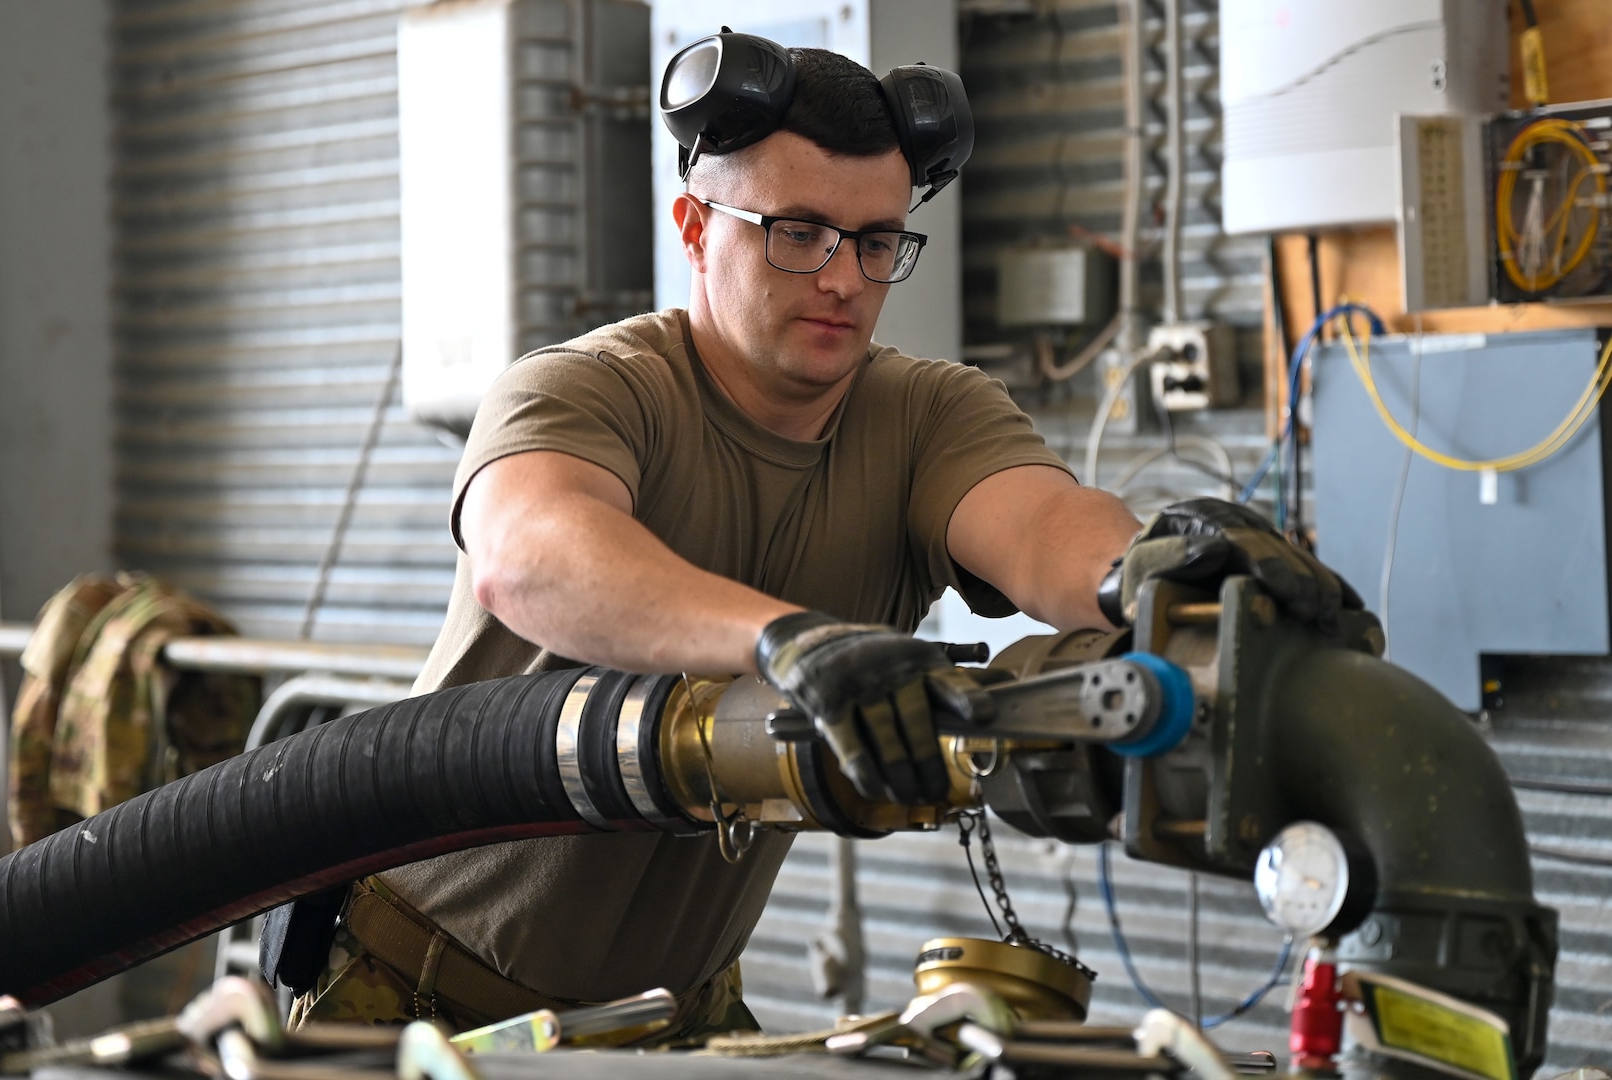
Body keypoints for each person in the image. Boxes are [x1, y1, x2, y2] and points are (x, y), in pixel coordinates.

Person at [290, 39, 1355, 1039]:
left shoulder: (928, 414)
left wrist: (1156, 571)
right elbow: (532, 556)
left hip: (674, 1019)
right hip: (419, 995)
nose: (844, 278)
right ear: (697, 227)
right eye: (797, 232)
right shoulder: (590, 388)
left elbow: (1039, 523)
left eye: (878, 240)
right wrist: (785, 641)